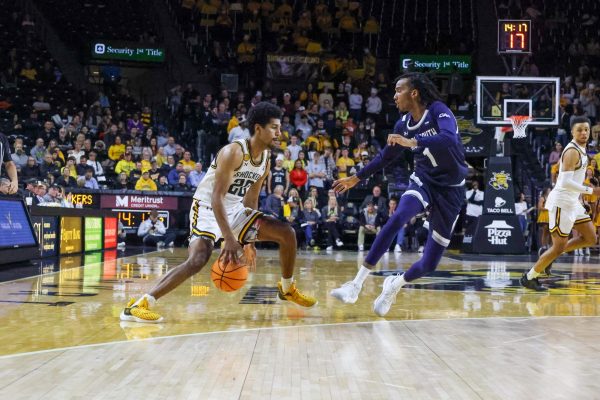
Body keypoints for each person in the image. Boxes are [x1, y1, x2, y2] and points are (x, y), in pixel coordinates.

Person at [121, 102, 317, 323]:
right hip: (206, 208)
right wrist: (231, 239)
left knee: (286, 233)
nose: (279, 134)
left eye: (279, 128)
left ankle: (287, 288)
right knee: (198, 259)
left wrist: (249, 241)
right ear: (258, 129)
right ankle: (140, 304)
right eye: (274, 128)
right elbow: (216, 198)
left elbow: (251, 199)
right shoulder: (233, 152)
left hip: (235, 209)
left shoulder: (265, 160)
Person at [330, 72, 468, 316]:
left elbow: (448, 138)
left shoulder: (438, 110)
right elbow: (386, 157)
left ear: (413, 93)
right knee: (397, 218)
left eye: (398, 90)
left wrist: (412, 143)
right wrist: (356, 177)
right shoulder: (402, 125)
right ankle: (355, 285)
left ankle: (395, 284)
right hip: (423, 180)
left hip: (451, 191)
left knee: (429, 264)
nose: (394, 96)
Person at [522, 117, 600, 290]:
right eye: (580, 130)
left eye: (586, 129)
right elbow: (564, 182)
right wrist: (591, 191)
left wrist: (581, 198)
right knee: (558, 247)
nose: (584, 133)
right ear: (572, 132)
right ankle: (530, 277)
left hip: (573, 202)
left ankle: (549, 256)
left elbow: (576, 179)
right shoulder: (571, 151)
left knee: (590, 238)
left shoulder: (583, 150)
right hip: (561, 203)